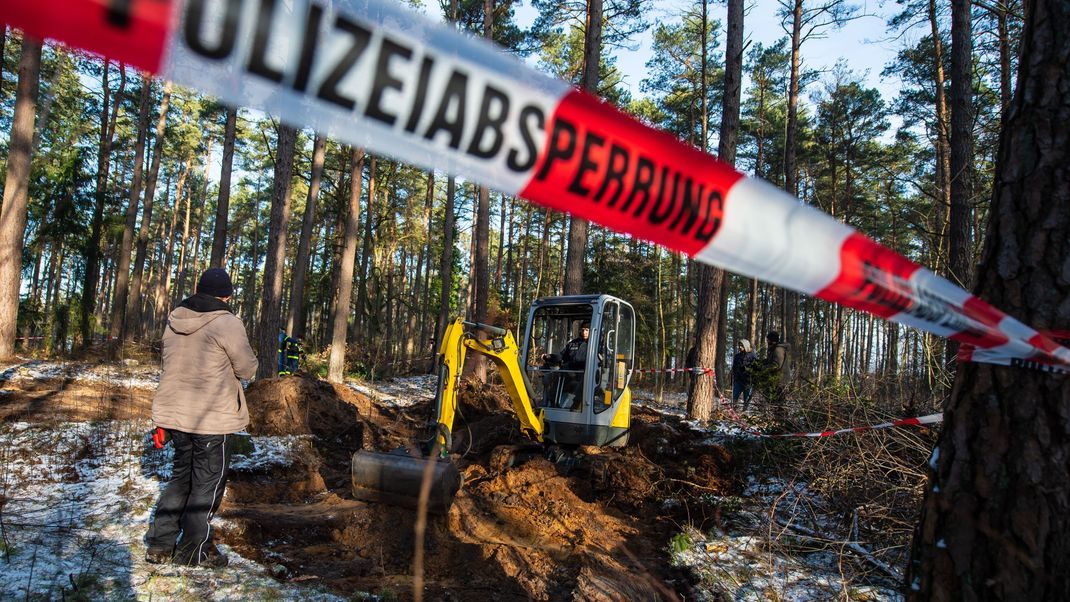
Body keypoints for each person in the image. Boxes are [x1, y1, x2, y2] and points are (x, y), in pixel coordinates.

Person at [145, 268, 258, 568]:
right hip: (212, 418)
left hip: (176, 417)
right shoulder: (227, 322)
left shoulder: (174, 319)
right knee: (206, 486)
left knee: (180, 480)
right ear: (227, 295)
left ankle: (159, 544)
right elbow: (247, 369)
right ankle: (194, 551)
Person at [761, 330, 793, 410]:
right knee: (774, 402)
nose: (767, 341)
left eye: (768, 340)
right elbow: (771, 361)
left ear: (772, 340)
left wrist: (763, 368)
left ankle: (781, 419)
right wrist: (763, 362)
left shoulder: (778, 350)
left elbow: (776, 365)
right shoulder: (773, 349)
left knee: (779, 403)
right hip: (776, 380)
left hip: (781, 380)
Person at [731, 339, 757, 411]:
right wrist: (734, 378)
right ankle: (733, 411)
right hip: (738, 381)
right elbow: (734, 368)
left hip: (748, 382)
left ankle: (745, 412)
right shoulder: (737, 356)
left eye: (742, 345)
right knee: (734, 398)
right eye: (739, 345)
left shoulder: (752, 356)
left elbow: (756, 368)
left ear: (746, 346)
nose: (740, 347)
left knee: (747, 400)